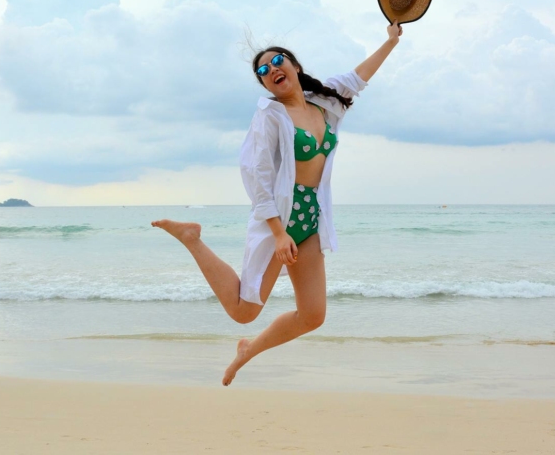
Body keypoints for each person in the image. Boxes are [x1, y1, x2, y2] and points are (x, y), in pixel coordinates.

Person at [152, 19, 402, 386]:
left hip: (311, 219)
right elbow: (257, 175)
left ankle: (247, 351)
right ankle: (192, 237)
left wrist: (391, 42)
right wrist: (278, 232)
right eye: (263, 72)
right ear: (266, 84)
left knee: (313, 315)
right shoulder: (270, 115)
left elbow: (358, 77)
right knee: (243, 310)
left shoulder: (325, 102)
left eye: (277, 62)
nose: (271, 70)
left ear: (295, 66)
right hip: (280, 221)